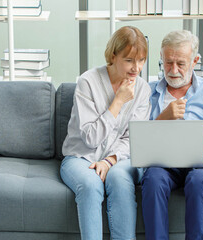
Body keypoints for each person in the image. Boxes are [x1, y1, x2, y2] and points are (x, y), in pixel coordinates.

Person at [141, 30, 203, 240]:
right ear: (161, 58)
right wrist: (163, 117)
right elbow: (138, 136)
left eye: (181, 63)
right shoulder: (148, 92)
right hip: (164, 158)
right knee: (153, 179)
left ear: (195, 60)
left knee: (198, 180)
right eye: (168, 62)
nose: (174, 70)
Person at [60, 26, 151, 240]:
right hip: (81, 157)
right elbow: (90, 138)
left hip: (119, 159)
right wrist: (117, 102)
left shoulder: (143, 90)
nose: (136, 68)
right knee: (91, 185)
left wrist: (110, 161)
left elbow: (134, 139)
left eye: (141, 60)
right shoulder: (87, 82)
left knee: (120, 180)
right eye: (129, 60)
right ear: (113, 56)